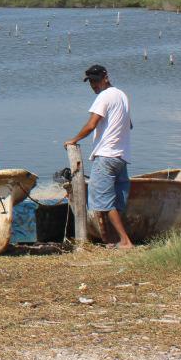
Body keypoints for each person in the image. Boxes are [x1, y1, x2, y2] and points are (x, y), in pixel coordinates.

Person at [65, 64, 134, 248]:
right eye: (91, 82)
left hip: (105, 156)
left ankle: (125, 241)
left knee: (101, 202)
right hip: (121, 156)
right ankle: (110, 241)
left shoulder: (104, 97)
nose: (94, 85)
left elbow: (91, 124)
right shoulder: (121, 95)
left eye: (96, 80)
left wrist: (73, 140)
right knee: (115, 202)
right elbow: (129, 124)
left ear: (106, 77)